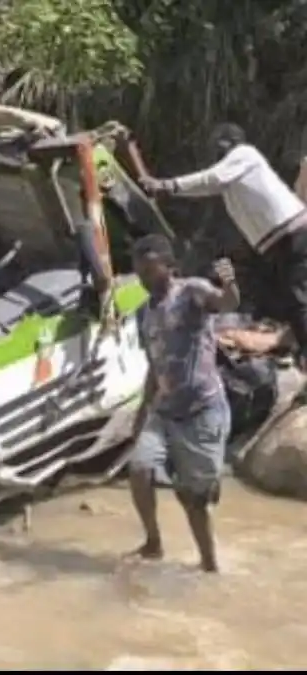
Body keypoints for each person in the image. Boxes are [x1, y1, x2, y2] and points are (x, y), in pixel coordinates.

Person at [139, 123, 307, 369]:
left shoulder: (245, 155)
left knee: (299, 298)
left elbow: (211, 178)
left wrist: (167, 186)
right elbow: (208, 185)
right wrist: (169, 189)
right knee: (292, 301)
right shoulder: (232, 182)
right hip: (278, 244)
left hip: (292, 236)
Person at [127, 234, 239, 573]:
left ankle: (209, 566)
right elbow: (154, 364)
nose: (145, 280)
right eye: (139, 273)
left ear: (169, 267)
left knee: (193, 500)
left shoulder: (191, 291)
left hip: (202, 410)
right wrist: (142, 410)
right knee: (139, 469)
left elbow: (226, 303)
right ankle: (153, 543)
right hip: (164, 410)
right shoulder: (142, 314)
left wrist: (230, 284)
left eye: (150, 271)